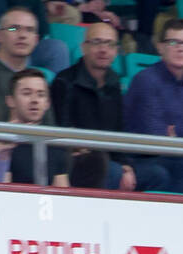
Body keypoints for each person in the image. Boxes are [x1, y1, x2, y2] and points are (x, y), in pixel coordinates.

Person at [122, 19, 183, 195]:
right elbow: (154, 136)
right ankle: (179, 218)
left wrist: (178, 140)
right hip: (144, 160)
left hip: (181, 157)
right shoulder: (146, 79)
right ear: (161, 47)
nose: (180, 48)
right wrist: (178, 142)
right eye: (173, 42)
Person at [50, 21, 154, 191]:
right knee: (111, 171)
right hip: (76, 160)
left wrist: (125, 165)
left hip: (109, 158)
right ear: (84, 47)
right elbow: (59, 130)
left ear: (115, 51)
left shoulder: (115, 83)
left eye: (109, 44)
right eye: (97, 42)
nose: (103, 49)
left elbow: (118, 132)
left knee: (156, 174)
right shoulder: (65, 81)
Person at [2, 68, 69, 186]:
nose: (34, 100)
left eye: (40, 95)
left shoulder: (55, 145)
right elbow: (3, 193)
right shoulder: (1, 141)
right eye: (27, 93)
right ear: (10, 100)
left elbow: (63, 195)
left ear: (47, 103)